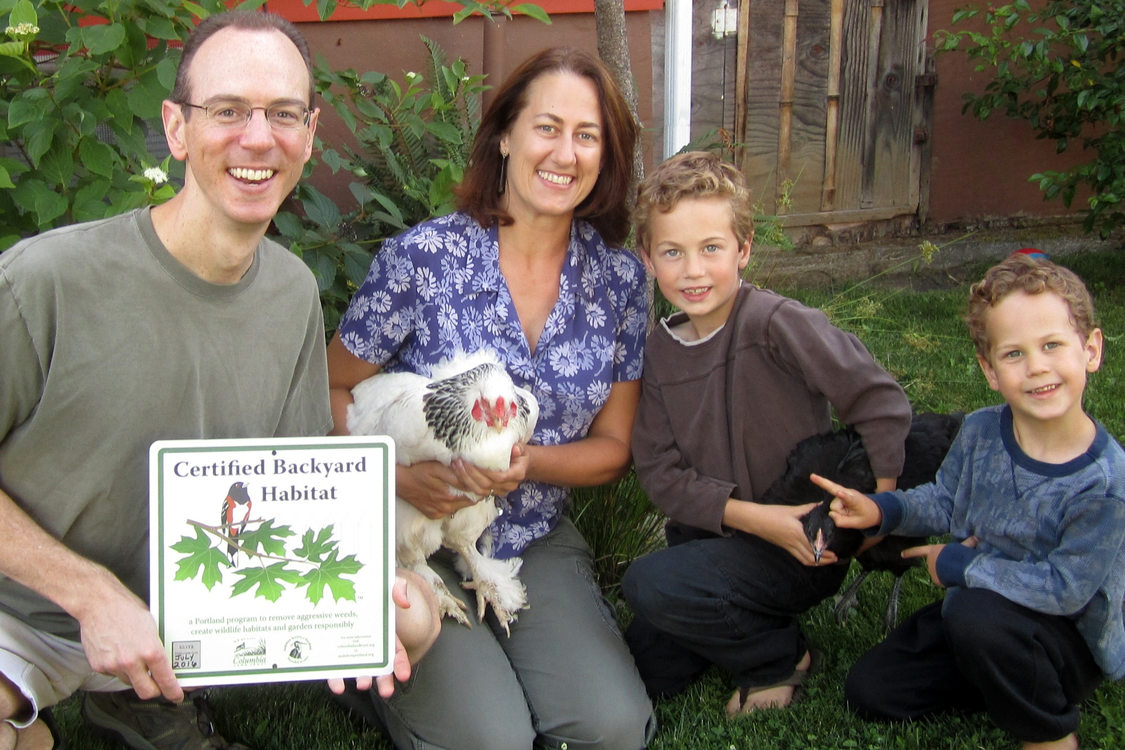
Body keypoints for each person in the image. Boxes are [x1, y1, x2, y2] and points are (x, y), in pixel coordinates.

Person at [0, 11, 436, 750]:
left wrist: (354, 597)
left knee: (414, 615)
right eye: (227, 111)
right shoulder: (46, 280)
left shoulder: (292, 292)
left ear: (309, 131)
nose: (258, 137)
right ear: (175, 129)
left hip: (184, 614)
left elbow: (291, 487)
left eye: (283, 114)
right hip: (24, 607)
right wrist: (90, 593)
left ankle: (138, 705)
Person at [326, 46, 655, 750]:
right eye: (546, 127)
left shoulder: (620, 280)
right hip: (404, 532)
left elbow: (611, 451)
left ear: (606, 154)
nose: (564, 153)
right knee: (489, 740)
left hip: (527, 535)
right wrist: (399, 474)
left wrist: (522, 466)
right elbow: (331, 388)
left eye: (587, 134)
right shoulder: (423, 259)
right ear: (504, 134)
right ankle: (358, 667)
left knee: (610, 726)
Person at [620, 151, 912, 717]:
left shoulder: (777, 323)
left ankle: (779, 659)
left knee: (649, 584)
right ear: (648, 259)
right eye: (672, 252)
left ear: (744, 249)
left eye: (711, 248)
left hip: (803, 542)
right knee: (645, 669)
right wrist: (753, 520)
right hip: (719, 540)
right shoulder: (656, 352)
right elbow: (659, 473)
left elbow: (878, 399)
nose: (693, 271)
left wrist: (879, 505)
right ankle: (734, 618)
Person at [812, 251, 1125, 750]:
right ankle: (997, 678)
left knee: (976, 618)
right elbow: (944, 500)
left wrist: (961, 565)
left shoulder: (1104, 483)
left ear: (1090, 350)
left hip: (1064, 641)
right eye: (1014, 354)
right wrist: (883, 510)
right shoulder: (981, 431)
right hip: (978, 612)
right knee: (872, 689)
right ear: (989, 369)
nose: (1037, 367)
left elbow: (1064, 589)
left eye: (1052, 345)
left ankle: (1050, 735)